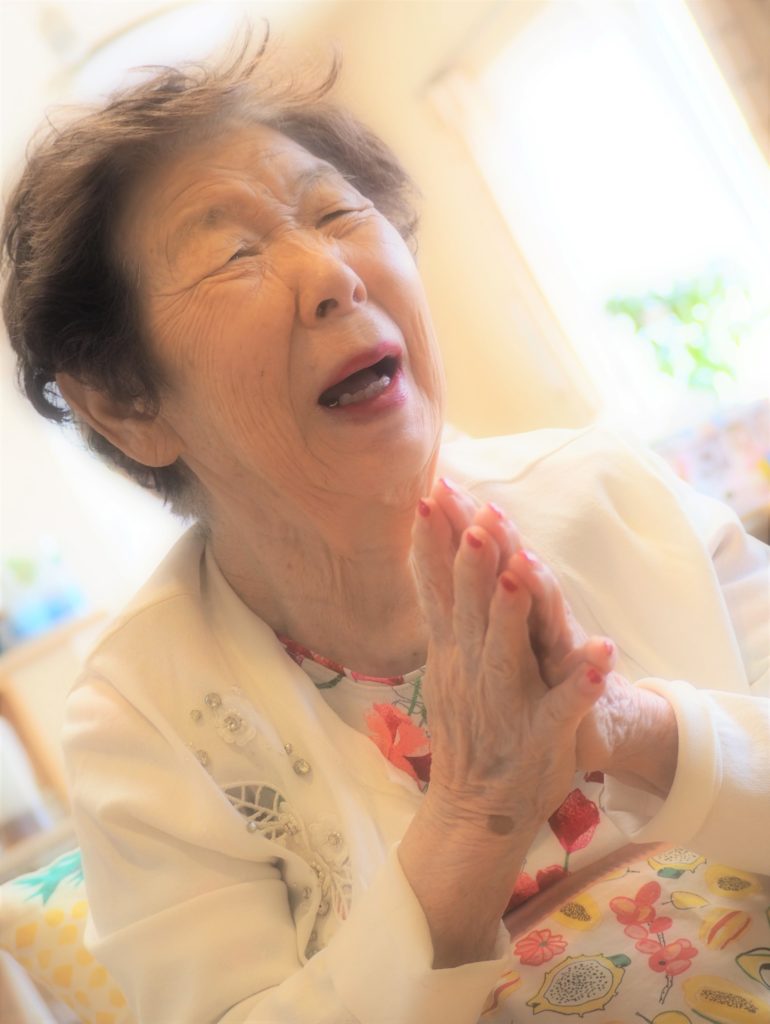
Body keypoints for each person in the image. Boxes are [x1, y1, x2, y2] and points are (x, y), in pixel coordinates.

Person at [2, 34, 768, 1024]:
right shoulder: (140, 717)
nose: (333, 273)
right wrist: (475, 813)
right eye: (235, 253)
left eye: (337, 213)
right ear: (124, 403)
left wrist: (629, 724)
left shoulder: (606, 491)